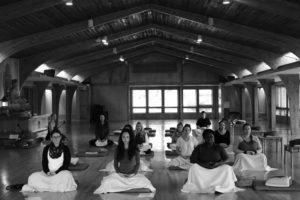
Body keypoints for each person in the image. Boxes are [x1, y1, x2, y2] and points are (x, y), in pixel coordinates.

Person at [94, 129, 156, 193]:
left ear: (130, 138)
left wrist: (133, 173)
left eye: (127, 137)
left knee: (146, 182)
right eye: (123, 137)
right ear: (121, 138)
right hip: (120, 176)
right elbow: (115, 163)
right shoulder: (118, 149)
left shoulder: (135, 149)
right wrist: (119, 173)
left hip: (132, 176)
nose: (125, 139)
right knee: (106, 182)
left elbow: (138, 163)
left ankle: (123, 186)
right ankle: (123, 185)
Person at [21, 128, 77, 192]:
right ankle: (52, 186)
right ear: (51, 138)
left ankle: (49, 186)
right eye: (54, 137)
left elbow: (66, 165)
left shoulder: (65, 149)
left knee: (67, 176)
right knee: (32, 177)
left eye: (57, 137)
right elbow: (44, 163)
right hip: (48, 174)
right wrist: (47, 172)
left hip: (60, 173)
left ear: (60, 137)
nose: (56, 139)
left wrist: (56, 172)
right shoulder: (46, 149)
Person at [182, 129, 237, 193]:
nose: (210, 138)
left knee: (228, 168)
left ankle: (222, 186)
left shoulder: (219, 147)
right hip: (203, 169)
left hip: (216, 169)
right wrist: (203, 165)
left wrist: (217, 164)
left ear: (214, 137)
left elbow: (226, 158)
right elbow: (192, 159)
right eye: (208, 137)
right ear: (204, 138)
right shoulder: (199, 147)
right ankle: (201, 186)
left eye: (211, 136)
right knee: (193, 168)